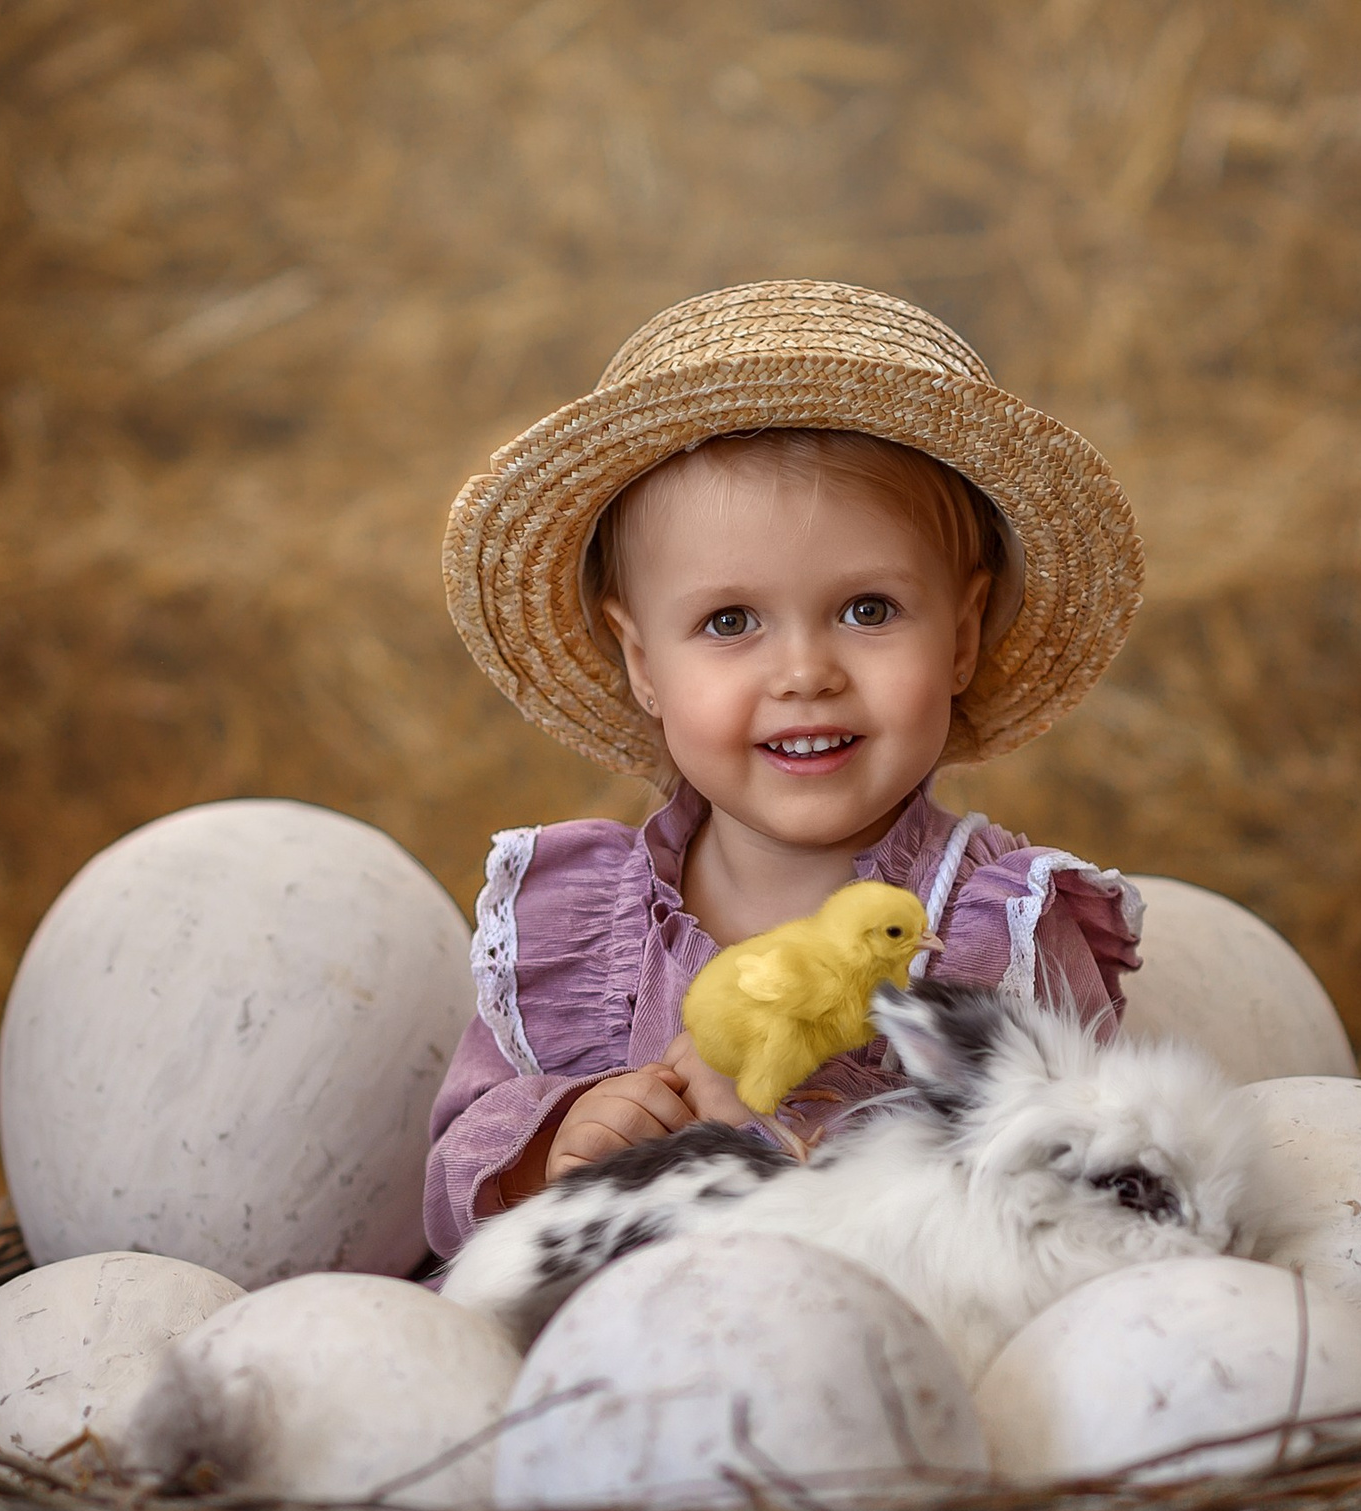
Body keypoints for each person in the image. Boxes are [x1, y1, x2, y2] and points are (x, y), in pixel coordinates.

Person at [428, 280, 1146, 1261]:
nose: (805, 672)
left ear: (963, 636)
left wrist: (803, 1124)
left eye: (867, 610)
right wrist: (555, 1143)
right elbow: (449, 1181)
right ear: (643, 663)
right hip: (606, 1337)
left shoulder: (996, 930)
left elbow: (1080, 1193)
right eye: (729, 621)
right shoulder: (575, 925)